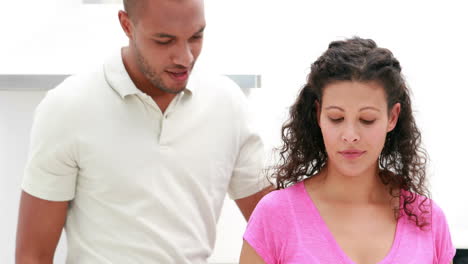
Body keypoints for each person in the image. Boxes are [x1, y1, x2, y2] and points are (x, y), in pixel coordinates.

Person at [15, 0, 271, 263]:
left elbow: (282, 229)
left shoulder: (228, 103)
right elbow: (33, 255)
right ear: (127, 24)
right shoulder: (67, 108)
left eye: (196, 36)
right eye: (164, 40)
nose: (185, 58)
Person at [239, 37, 455, 264]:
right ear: (318, 114)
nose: (350, 134)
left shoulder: (428, 220)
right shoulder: (275, 216)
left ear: (392, 117)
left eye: (367, 119)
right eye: (337, 118)